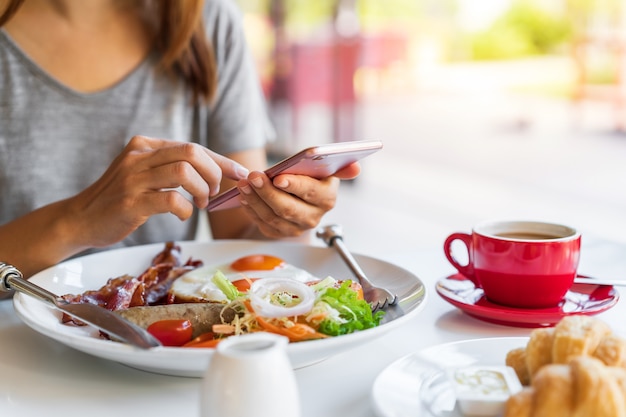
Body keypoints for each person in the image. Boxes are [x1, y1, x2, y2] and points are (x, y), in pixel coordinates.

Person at [0, 0, 360, 279]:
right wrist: (77, 221)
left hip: (163, 350)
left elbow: (244, 241)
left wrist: (286, 218)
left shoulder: (208, 23)